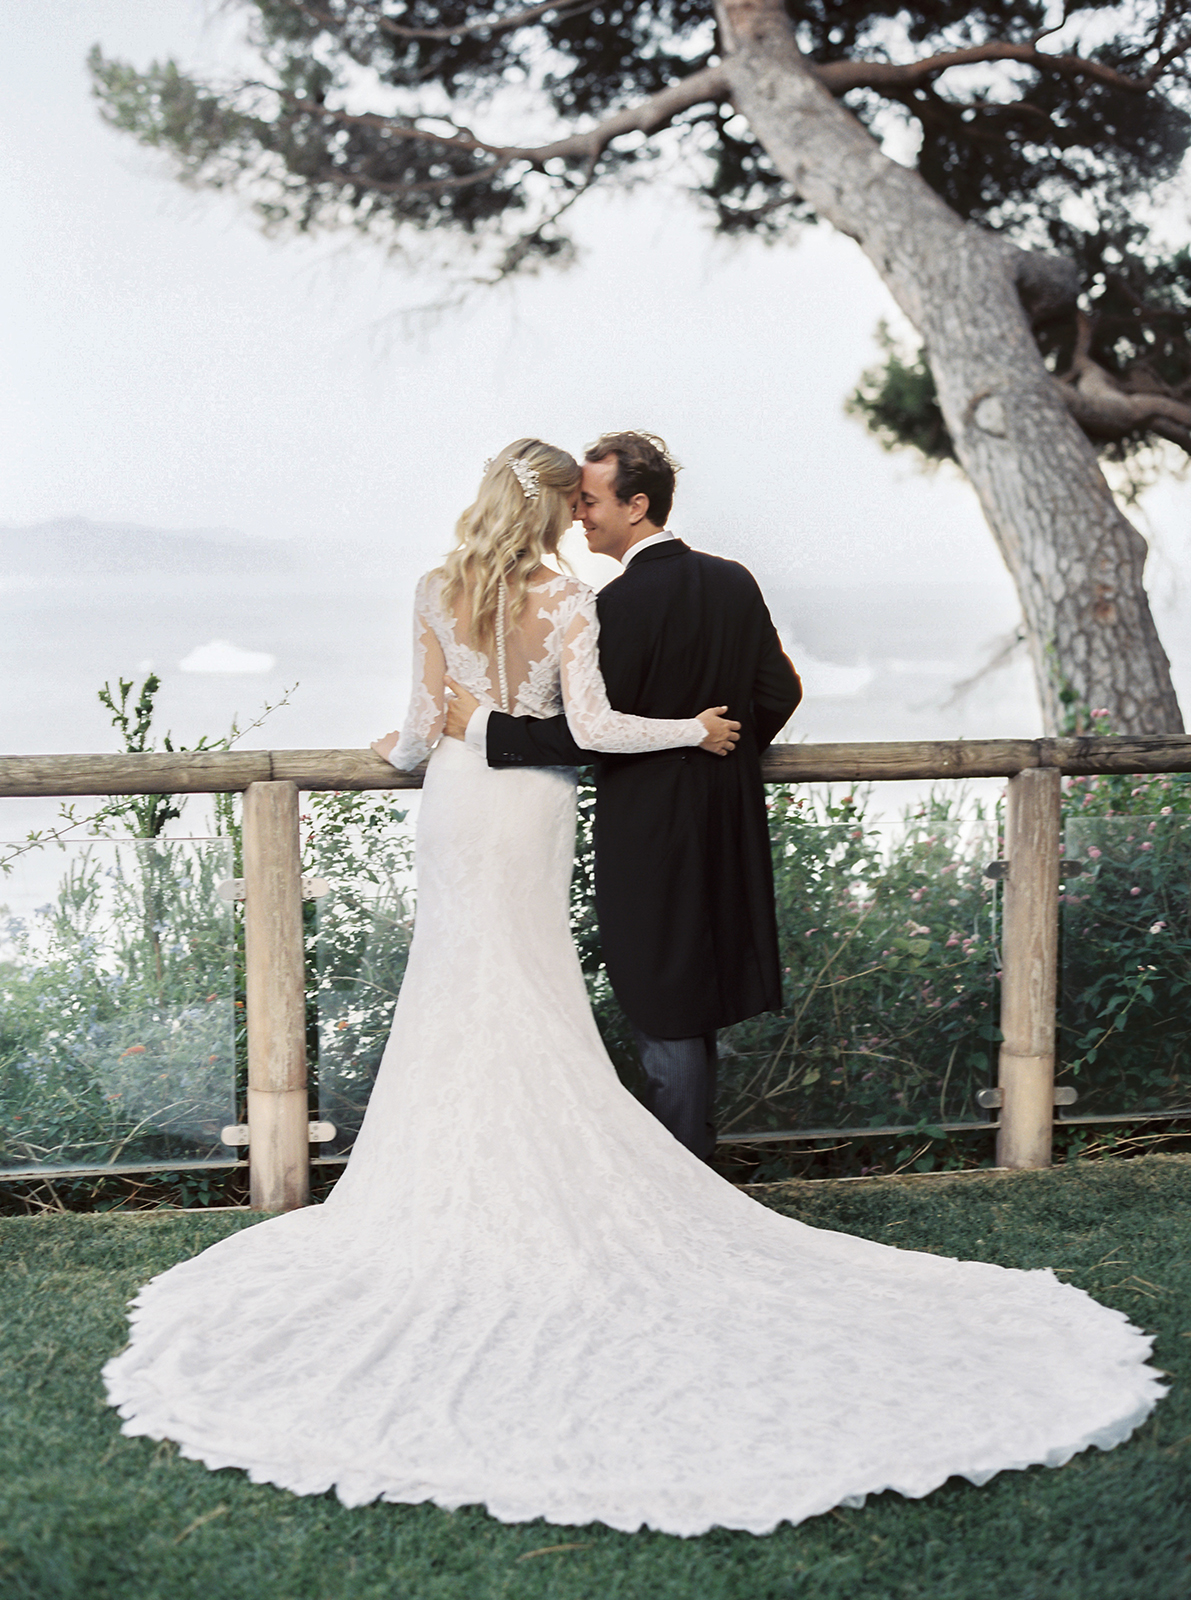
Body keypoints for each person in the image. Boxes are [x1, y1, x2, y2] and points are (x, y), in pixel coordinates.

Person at [102, 438, 1163, 1537]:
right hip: (540, 808)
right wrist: (706, 736)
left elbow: (423, 735)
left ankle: (461, 1182)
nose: (582, 519)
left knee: (459, 986)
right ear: (554, 507)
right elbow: (628, 724)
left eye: (593, 501)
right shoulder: (579, 598)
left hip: (463, 803)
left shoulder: (439, 586)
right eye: (573, 502)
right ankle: (604, 1176)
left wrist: (411, 747)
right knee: (527, 985)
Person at [444, 431, 801, 1161]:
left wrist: (486, 729)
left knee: (662, 998)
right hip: (726, 819)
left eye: (591, 502)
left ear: (637, 506)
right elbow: (780, 691)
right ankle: (699, 1169)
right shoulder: (733, 581)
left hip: (647, 830)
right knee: (698, 992)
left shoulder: (616, 604)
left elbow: (588, 734)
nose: (578, 515)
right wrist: (721, 749)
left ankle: (683, 1180)